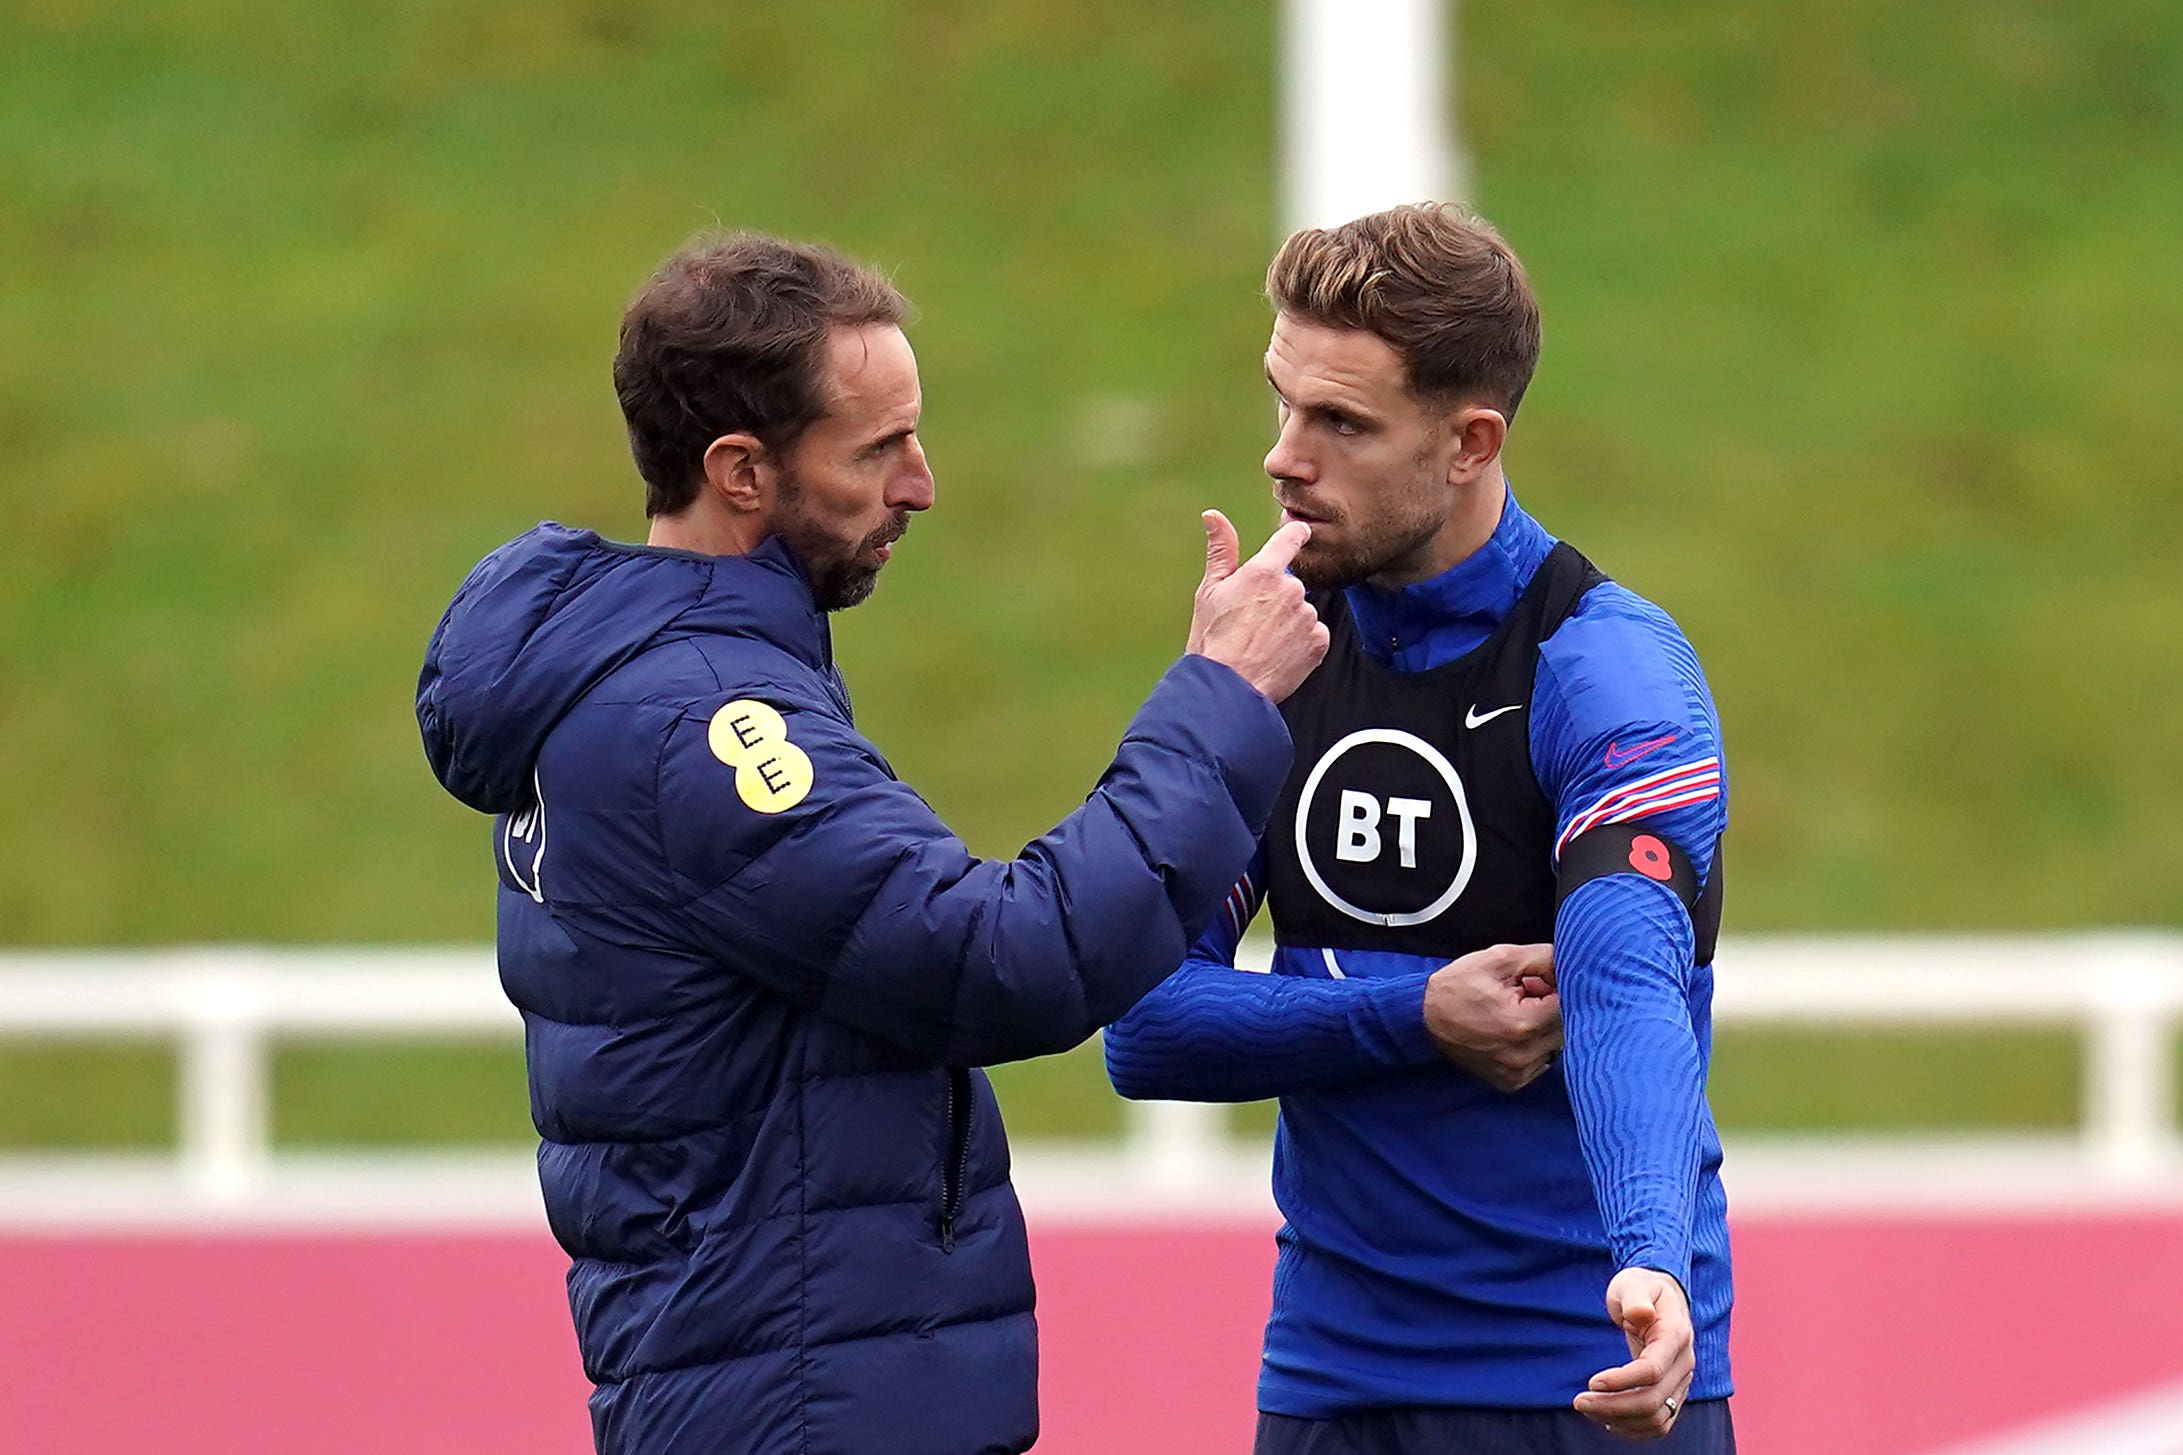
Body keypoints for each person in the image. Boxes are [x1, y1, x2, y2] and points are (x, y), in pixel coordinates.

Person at [413, 231, 1340, 1455]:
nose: (921, 484)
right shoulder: (700, 723)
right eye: (876, 450)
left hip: (774, 1384)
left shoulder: (653, 684)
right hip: (802, 1409)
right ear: (741, 470)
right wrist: (1218, 698)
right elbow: (1001, 960)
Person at [1105, 203, 1735, 1452]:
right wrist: (1411, 1014)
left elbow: (1622, 992)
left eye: (1341, 423)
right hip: (1332, 1382)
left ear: (1468, 442)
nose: (1285, 457)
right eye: (1282, 403)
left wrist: (1652, 1258)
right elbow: (1143, 1024)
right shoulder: (1269, 658)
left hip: (1589, 1373)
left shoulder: (1602, 671)